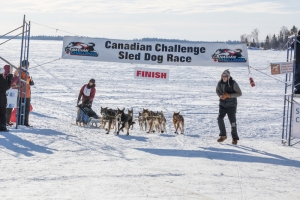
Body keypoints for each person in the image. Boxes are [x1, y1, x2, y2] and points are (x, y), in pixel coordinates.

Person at [216, 69, 242, 145]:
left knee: (232, 122)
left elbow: (239, 93)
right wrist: (220, 96)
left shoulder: (233, 83)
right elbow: (217, 90)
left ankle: (234, 138)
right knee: (220, 118)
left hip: (231, 105)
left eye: (225, 76)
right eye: (222, 76)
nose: (223, 78)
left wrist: (229, 95)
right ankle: (223, 135)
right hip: (222, 104)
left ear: (228, 76)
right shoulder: (219, 83)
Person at [17, 60, 34, 126]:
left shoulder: (26, 72)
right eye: (26, 65)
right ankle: (19, 122)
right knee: (20, 109)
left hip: (27, 94)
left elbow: (28, 82)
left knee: (27, 110)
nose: (27, 67)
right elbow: (19, 81)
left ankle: (26, 122)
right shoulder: (19, 72)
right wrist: (26, 77)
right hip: (21, 94)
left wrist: (30, 81)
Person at [0, 66, 13, 131]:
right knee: (2, 113)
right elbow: (7, 87)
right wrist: (9, 78)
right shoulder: (1, 79)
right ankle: (2, 127)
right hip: (1, 99)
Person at [291, 30, 300, 94]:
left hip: (298, 61)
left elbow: (292, 46)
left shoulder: (297, 39)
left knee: (297, 75)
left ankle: (298, 89)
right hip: (298, 60)